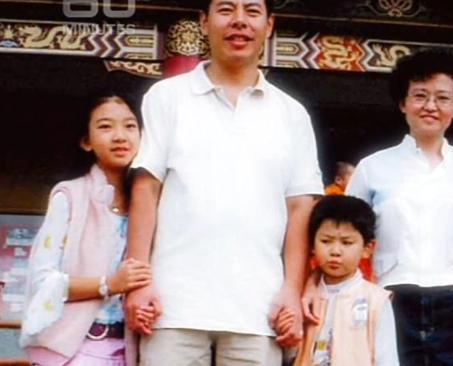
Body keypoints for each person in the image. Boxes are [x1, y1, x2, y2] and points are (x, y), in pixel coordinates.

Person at [124, 0, 323, 364]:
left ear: (269, 25)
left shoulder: (291, 114)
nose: (239, 22)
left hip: (259, 309)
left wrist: (292, 290)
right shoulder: (167, 97)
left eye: (251, 11)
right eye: (226, 9)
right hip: (173, 306)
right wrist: (138, 283)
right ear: (203, 21)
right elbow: (146, 188)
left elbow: (300, 208)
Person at [344, 48, 453, 365]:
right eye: (420, 95)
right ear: (403, 103)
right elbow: (343, 232)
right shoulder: (372, 168)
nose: (431, 106)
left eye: (443, 98)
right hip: (391, 303)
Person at [20, 94, 153, 365]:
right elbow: (43, 280)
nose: (119, 136)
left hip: (131, 351)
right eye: (105, 127)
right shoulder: (70, 196)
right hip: (74, 350)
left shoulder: (152, 205)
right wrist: (109, 284)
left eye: (129, 126)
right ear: (86, 141)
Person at [290, 195, 399, 365]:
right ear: (312, 245)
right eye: (326, 241)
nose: (335, 251)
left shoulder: (376, 300)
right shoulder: (304, 297)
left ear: (367, 248)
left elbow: (387, 359)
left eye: (347, 243)